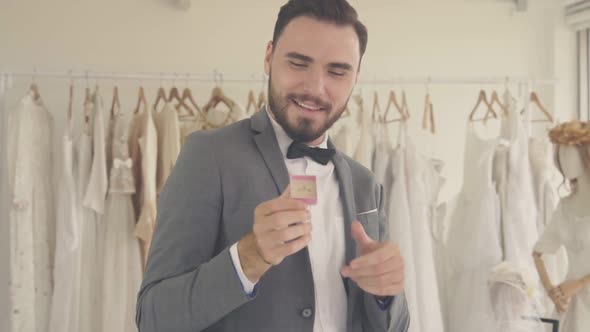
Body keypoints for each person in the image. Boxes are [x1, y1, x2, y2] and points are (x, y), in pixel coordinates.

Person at [135, 0, 410, 331]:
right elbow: (154, 317)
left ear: (356, 77)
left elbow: (393, 326)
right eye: (298, 63)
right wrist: (249, 258)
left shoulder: (365, 183)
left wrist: (386, 294)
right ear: (268, 57)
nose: (315, 88)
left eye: (337, 71)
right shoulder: (208, 156)